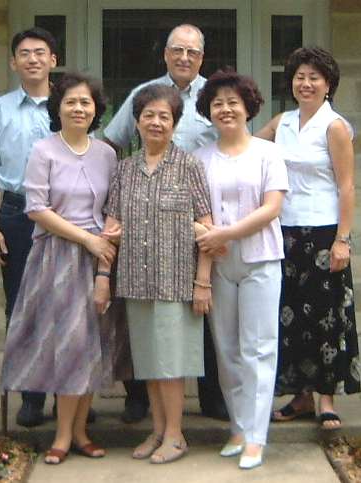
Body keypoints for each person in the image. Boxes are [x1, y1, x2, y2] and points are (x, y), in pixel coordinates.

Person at [104, 23, 226, 423]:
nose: (184, 58)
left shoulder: (213, 97)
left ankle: (210, 398)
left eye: (192, 51)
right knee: (142, 330)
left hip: (198, 217)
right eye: (177, 50)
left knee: (197, 318)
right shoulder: (144, 95)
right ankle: (140, 402)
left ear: (201, 57)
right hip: (144, 217)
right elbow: (112, 140)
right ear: (166, 54)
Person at [1, 72, 120, 464]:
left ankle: (81, 431)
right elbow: (37, 209)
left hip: (99, 258)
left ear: (96, 109)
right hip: (58, 256)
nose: (79, 108)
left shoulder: (106, 153)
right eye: (71, 102)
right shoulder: (44, 151)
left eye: (86, 102)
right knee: (69, 345)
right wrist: (86, 239)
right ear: (58, 107)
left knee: (92, 345)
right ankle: (63, 434)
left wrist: (103, 247)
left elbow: (111, 210)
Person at [99, 84, 213, 463]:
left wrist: (203, 282)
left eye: (164, 116)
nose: (156, 122)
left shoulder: (189, 165)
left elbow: (207, 228)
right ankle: (159, 430)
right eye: (149, 115)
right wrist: (103, 275)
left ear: (175, 123)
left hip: (176, 282)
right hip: (135, 279)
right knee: (149, 361)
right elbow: (111, 227)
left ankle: (176, 435)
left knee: (171, 363)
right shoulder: (125, 170)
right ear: (136, 121)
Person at [256, 46, 360, 429]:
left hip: (324, 233)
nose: (306, 83)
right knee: (290, 314)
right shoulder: (281, 122)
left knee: (325, 314)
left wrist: (343, 240)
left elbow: (347, 187)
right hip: (283, 231)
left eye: (314, 77)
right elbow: (250, 149)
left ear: (328, 84)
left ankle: (326, 398)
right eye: (300, 76)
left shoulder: (334, 126)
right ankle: (299, 396)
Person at [194, 70, 288, 470]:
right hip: (217, 263)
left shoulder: (268, 153)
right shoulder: (199, 158)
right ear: (209, 111)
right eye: (218, 103)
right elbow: (194, 211)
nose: (226, 109)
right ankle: (237, 426)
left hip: (260, 259)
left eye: (234, 102)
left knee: (258, 348)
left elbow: (272, 208)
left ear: (248, 107)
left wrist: (226, 233)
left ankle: (256, 435)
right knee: (226, 349)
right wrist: (208, 235)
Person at [0, 27, 58, 427]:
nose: (33, 59)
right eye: (24, 53)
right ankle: (32, 397)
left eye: (41, 52)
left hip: (65, 215)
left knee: (66, 303)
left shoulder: (71, 104)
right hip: (16, 214)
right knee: (22, 306)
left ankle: (71, 397)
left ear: (53, 60)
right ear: (14, 62)